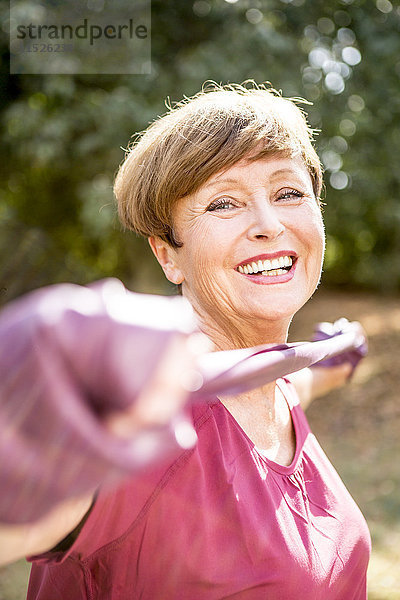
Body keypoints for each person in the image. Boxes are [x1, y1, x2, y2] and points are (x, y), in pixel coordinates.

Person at [3, 83, 370, 598]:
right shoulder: (140, 428)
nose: (269, 224)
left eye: (288, 192)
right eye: (225, 203)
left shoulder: (277, 386)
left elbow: (304, 381)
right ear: (168, 256)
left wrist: (342, 356)